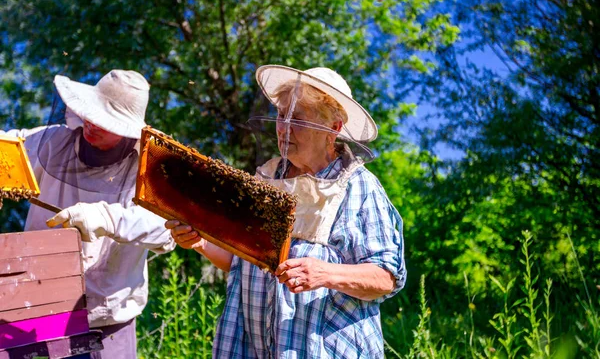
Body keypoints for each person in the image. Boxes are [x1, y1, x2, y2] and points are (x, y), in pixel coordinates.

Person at [167, 65, 406, 358]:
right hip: (253, 349)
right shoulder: (265, 179)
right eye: (282, 115)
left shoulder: (358, 186)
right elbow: (241, 262)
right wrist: (200, 242)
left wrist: (325, 274)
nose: (283, 127)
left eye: (298, 119)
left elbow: (385, 278)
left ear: (334, 128)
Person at [3, 70, 175, 358]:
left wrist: (106, 218)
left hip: (106, 321)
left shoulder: (149, 168)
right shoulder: (53, 141)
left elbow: (167, 228)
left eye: (104, 121)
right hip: (37, 305)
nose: (92, 123)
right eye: (91, 113)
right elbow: (11, 148)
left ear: (127, 127)